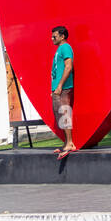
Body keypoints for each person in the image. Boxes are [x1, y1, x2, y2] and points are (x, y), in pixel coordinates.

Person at [50, 25, 75, 159]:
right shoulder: (60, 49)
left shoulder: (65, 47)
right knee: (59, 114)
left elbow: (68, 66)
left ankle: (70, 143)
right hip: (58, 88)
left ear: (62, 36)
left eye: (55, 36)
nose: (52, 38)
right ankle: (66, 142)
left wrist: (60, 86)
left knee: (64, 112)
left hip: (63, 88)